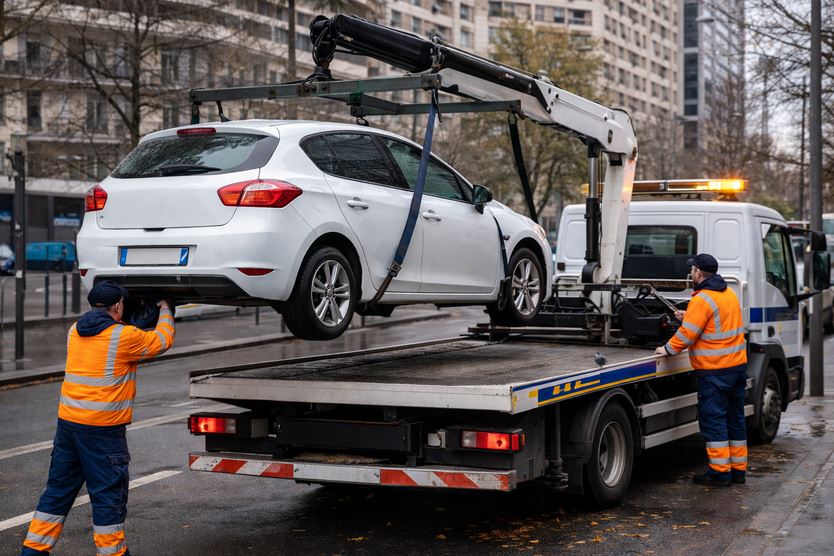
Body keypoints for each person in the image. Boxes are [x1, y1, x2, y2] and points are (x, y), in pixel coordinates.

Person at [22, 281, 175, 556]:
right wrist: (164, 310)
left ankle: (33, 550)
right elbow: (162, 341)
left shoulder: (74, 331)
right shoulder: (124, 337)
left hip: (68, 427)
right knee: (107, 499)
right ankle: (113, 553)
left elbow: (106, 341)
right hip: (102, 434)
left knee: (57, 493)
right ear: (117, 306)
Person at [655, 253, 747, 487]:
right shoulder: (728, 294)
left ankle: (719, 473)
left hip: (715, 372)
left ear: (697, 272)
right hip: (736, 368)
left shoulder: (701, 300)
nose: (691, 274)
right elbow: (717, 321)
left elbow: (687, 334)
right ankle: (738, 470)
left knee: (714, 420)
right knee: (735, 419)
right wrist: (688, 316)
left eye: (692, 270)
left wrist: (667, 349)